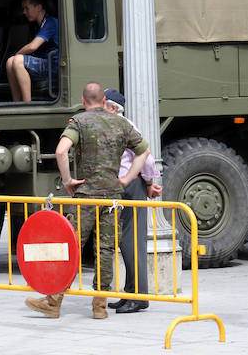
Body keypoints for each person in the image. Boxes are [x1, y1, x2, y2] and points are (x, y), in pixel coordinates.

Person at [25, 82, 150, 320]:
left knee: (71, 248)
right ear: (104, 101)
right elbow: (144, 151)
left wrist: (68, 180)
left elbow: (62, 151)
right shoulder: (121, 123)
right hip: (112, 198)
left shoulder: (79, 122)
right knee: (106, 250)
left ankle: (54, 301)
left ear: (84, 102)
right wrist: (126, 179)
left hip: (86, 198)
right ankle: (99, 306)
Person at [103, 88, 162, 314]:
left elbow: (145, 155)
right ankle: (130, 292)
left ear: (113, 107)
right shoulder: (115, 125)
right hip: (127, 186)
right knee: (126, 240)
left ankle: (138, 296)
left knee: (131, 241)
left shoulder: (123, 125)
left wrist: (148, 182)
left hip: (131, 186)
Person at [6, 0, 59, 102]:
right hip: (45, 63)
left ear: (38, 7)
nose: (24, 12)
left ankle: (27, 104)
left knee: (17, 60)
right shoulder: (38, 25)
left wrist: (17, 55)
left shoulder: (50, 22)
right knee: (10, 62)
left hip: (53, 66)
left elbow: (33, 47)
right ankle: (16, 102)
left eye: (27, 8)